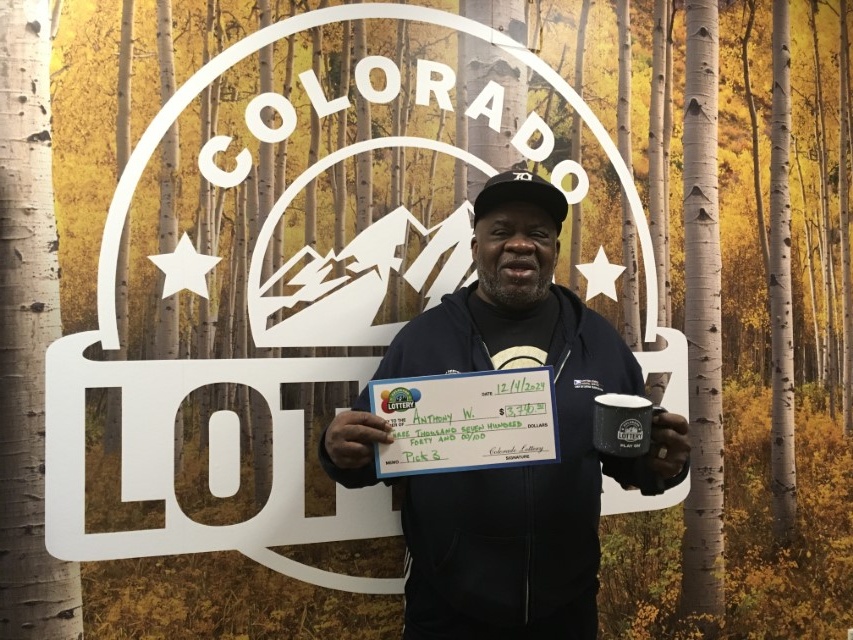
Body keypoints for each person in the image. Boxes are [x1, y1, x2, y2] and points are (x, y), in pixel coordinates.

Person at [319, 169, 691, 640]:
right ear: (476, 247)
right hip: (448, 608)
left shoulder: (597, 340)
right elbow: (365, 460)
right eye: (501, 231)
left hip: (567, 608)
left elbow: (630, 458)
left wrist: (661, 465)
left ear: (554, 250)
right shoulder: (423, 341)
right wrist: (336, 449)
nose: (520, 244)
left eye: (538, 234)